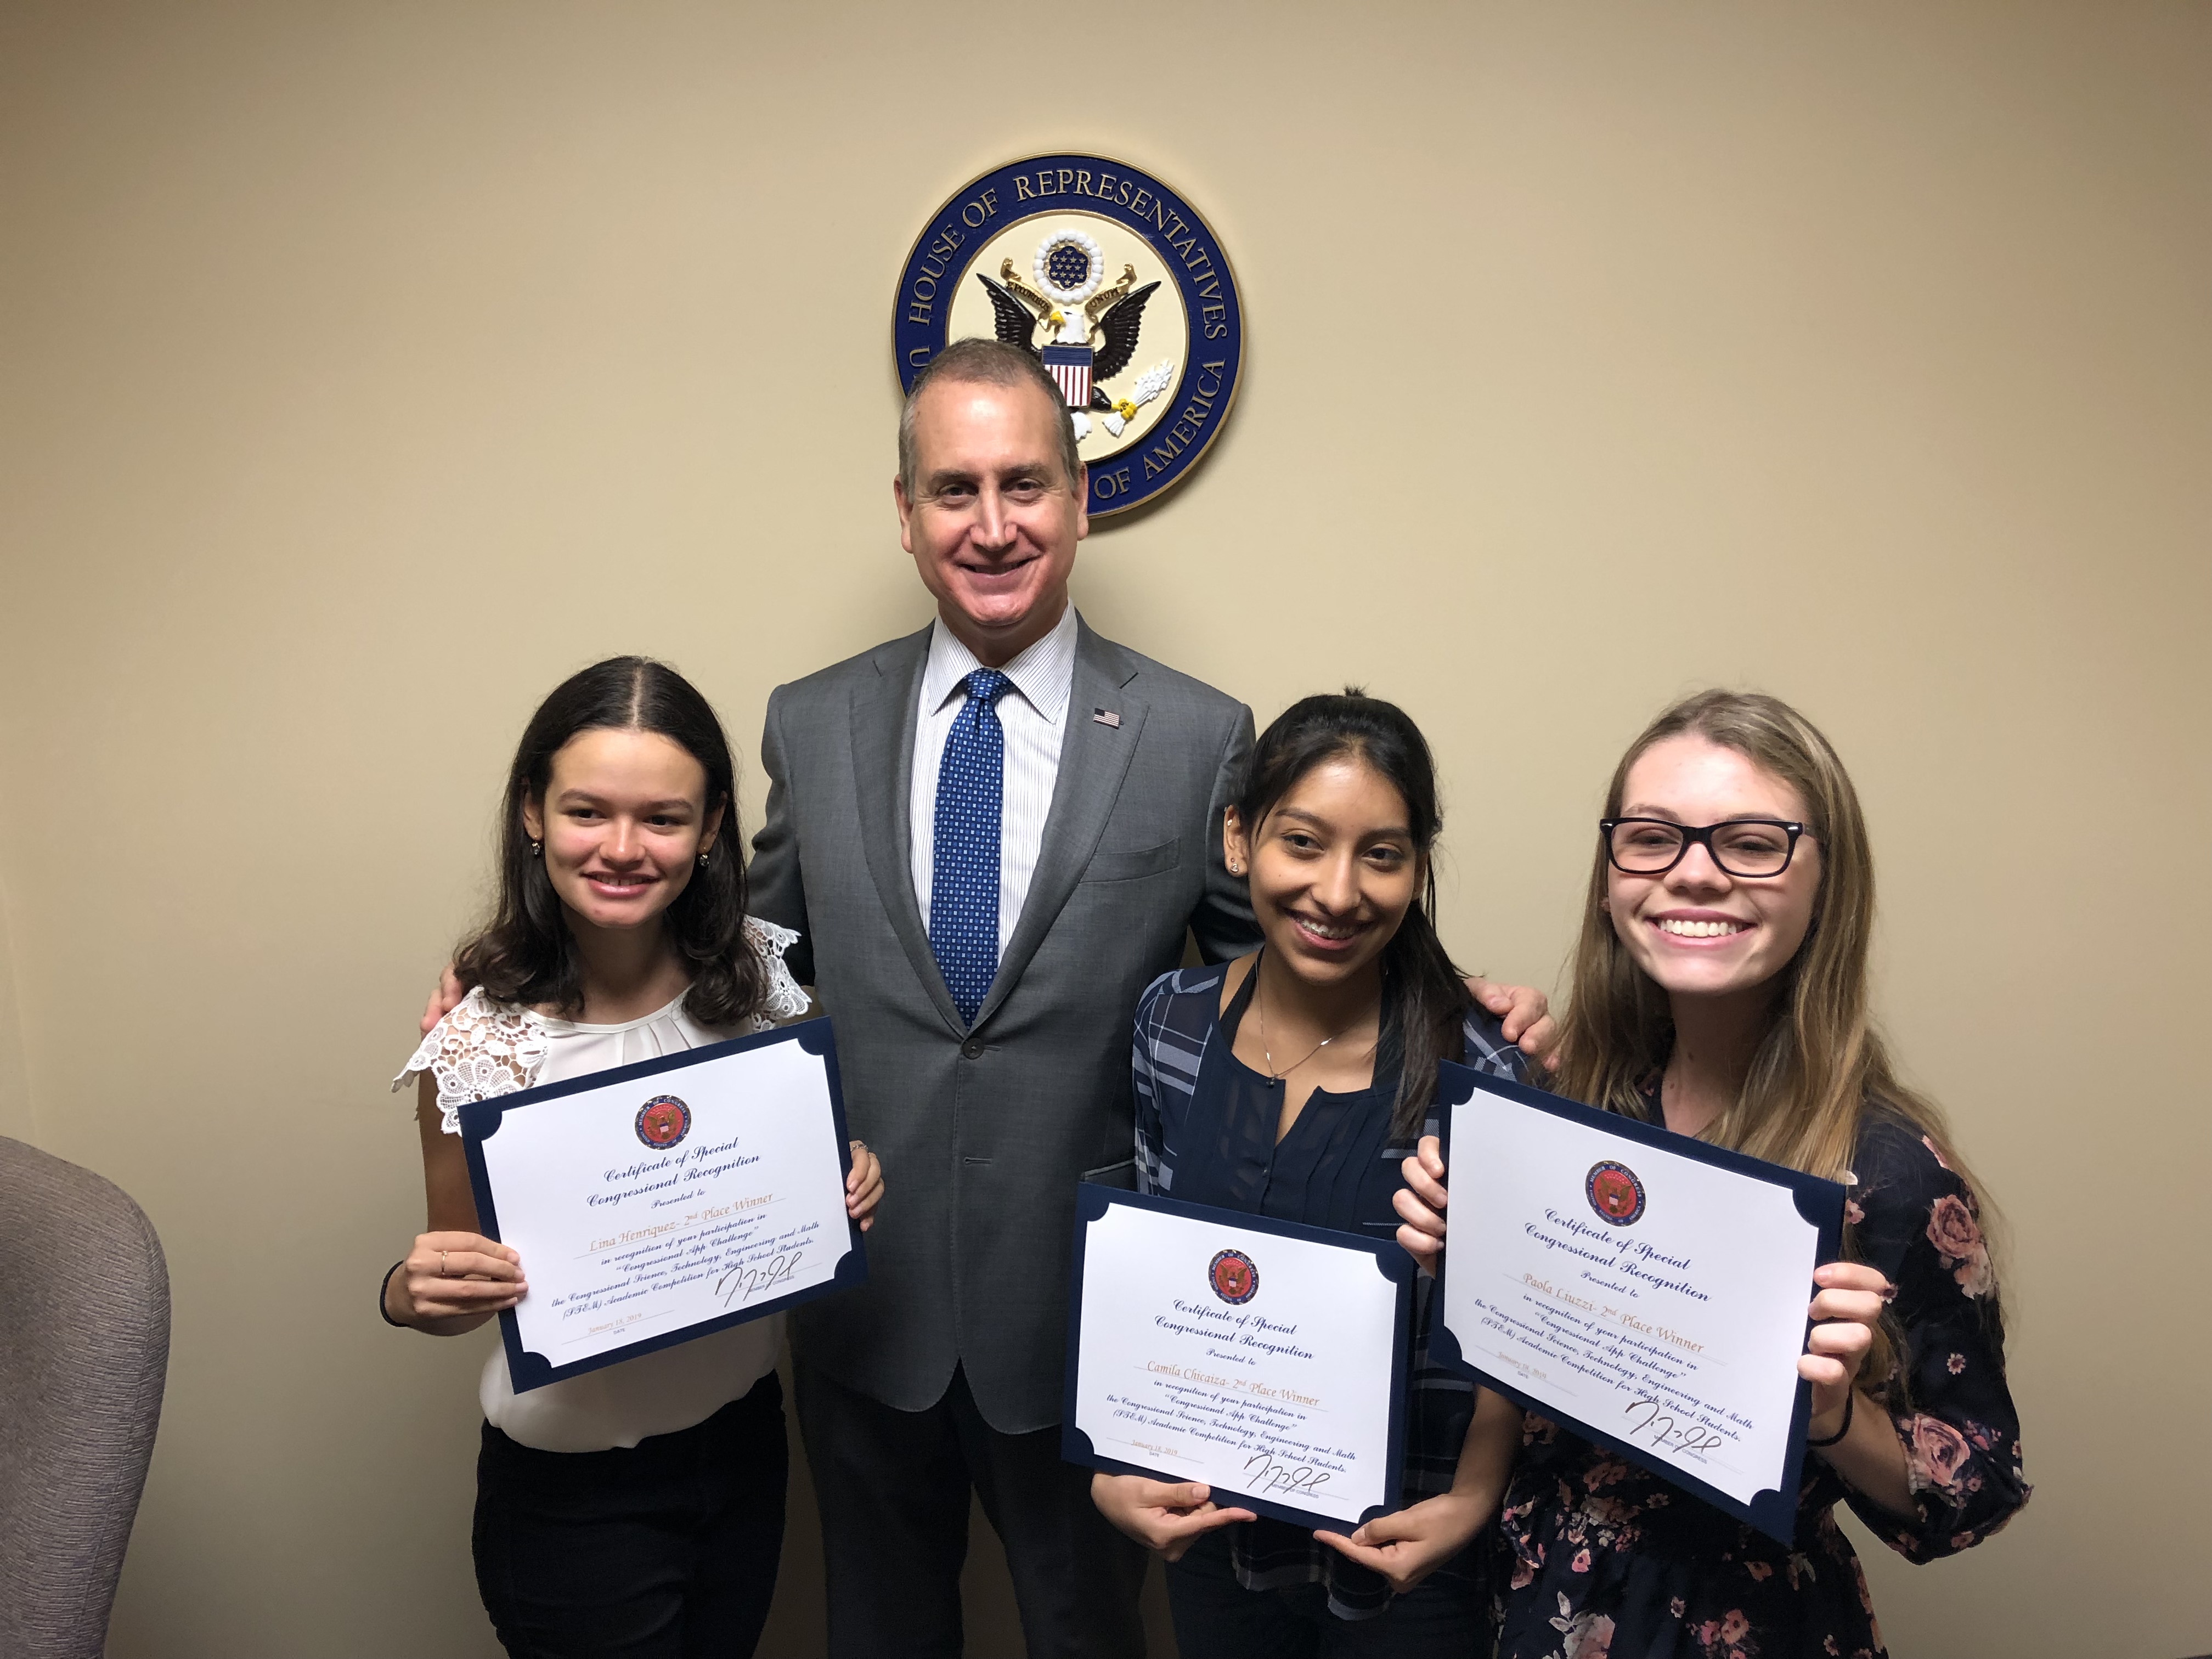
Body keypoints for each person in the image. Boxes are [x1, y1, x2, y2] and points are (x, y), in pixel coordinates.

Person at [421, 337, 1554, 1658]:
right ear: (904, 515)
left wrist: (1453, 995)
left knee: (1090, 1636)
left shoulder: (1196, 735)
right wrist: (522, 974)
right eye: (955, 490)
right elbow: (738, 958)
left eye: (1026, 484)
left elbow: (1302, 954)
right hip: (862, 1306)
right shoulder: (814, 720)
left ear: (1081, 502)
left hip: (1093, 1327)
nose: (994, 524)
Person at [1395, 689, 2030, 1658]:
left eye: (1751, 842)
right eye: (1652, 838)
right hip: (1528, 1600)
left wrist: (1832, 1417)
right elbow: (1550, 1364)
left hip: (1731, 1627)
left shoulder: (1892, 1172)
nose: (1693, 875)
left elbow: (1970, 1493)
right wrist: (1469, 1260)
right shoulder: (1588, 1108)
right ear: (1612, 874)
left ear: (1828, 879)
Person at [381, 657, 884, 1659]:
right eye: (586, 812)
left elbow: (791, 1183)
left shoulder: (761, 989)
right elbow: (451, 1275)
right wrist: (410, 1290)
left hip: (745, 1445)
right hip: (573, 1495)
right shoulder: (482, 1042)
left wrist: (847, 1178)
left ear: (709, 831)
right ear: (533, 813)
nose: (622, 848)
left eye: (661, 817)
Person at [1090, 692, 1528, 1657]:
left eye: (1382, 855)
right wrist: (1115, 1465)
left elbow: (1509, 1327)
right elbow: (1154, 1267)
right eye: (1303, 843)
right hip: (1215, 1534)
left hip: (1401, 1552)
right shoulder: (1171, 1018)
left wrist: (1472, 1500)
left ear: (1418, 868)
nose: (1338, 893)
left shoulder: (1481, 1070)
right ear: (1239, 841)